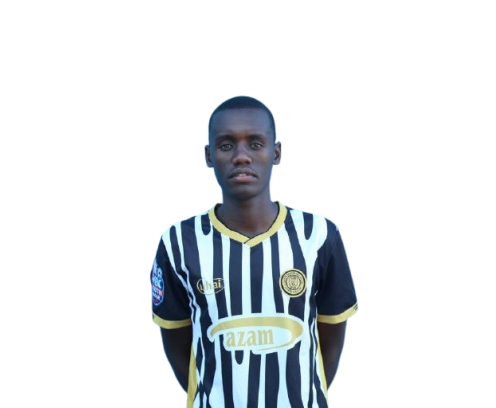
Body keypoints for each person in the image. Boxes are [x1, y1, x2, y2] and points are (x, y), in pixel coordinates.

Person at [150, 95, 358, 407]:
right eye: (226, 145)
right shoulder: (178, 242)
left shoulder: (319, 234)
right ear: (208, 156)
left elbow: (332, 334)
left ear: (276, 153)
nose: (241, 156)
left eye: (255, 144)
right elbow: (177, 344)